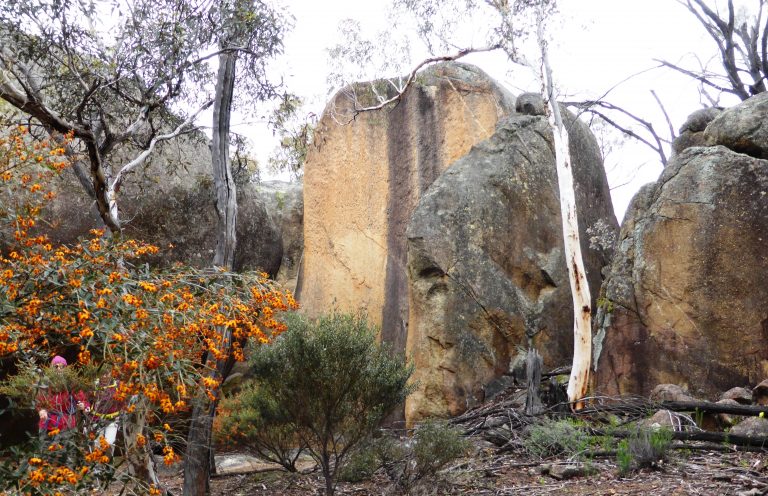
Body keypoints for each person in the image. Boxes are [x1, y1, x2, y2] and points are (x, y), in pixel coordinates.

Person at [36, 355, 89, 434]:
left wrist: (83, 406)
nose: (59, 369)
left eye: (62, 367)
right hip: (47, 424)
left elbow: (83, 400)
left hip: (66, 424)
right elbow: (39, 402)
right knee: (46, 446)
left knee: (66, 446)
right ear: (51, 368)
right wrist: (41, 410)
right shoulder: (46, 383)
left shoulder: (71, 384)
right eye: (56, 366)